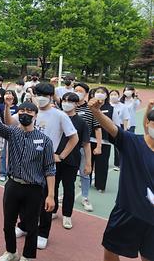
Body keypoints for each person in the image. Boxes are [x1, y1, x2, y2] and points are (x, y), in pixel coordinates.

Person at [11, 83, 78, 250]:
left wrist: (61, 155)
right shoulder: (30, 111)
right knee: (26, 198)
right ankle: (24, 225)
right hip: (27, 162)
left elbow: (74, 138)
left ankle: (43, 232)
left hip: (46, 164)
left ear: (50, 96)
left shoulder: (60, 115)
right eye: (37, 94)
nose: (40, 98)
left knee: (47, 199)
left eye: (44, 95)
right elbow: (10, 123)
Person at [0, 93, 55, 261]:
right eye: (22, 111)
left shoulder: (45, 141)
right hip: (13, 185)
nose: (25, 114)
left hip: (33, 189)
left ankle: (27, 256)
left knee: (32, 226)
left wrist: (51, 195)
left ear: (35, 115)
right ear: (17, 113)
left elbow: (50, 168)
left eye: (29, 111)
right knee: (8, 223)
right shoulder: (13, 133)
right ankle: (11, 252)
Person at [88, 98, 153, 261]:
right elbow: (112, 127)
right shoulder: (132, 142)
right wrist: (95, 111)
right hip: (127, 210)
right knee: (110, 248)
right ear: (147, 124)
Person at [53, 92, 92, 230]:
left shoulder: (81, 123)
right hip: (54, 159)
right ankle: (53, 210)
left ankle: (67, 215)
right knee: (53, 186)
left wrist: (88, 163)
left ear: (76, 104)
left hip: (72, 160)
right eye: (64, 100)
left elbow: (86, 144)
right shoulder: (56, 117)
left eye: (69, 101)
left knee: (69, 188)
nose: (66, 103)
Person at [73, 82, 101, 212]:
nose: (77, 92)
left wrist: (99, 145)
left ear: (85, 94)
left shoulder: (90, 109)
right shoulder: (68, 107)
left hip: (84, 146)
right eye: (75, 90)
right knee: (68, 172)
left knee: (85, 172)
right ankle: (68, 194)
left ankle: (85, 197)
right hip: (68, 146)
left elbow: (97, 128)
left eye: (80, 91)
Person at [90, 87, 114, 193]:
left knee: (102, 164)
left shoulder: (111, 108)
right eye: (97, 92)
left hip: (105, 140)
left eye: (102, 92)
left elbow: (114, 124)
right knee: (88, 162)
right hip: (89, 139)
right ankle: (86, 181)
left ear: (106, 95)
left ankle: (100, 185)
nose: (100, 94)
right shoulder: (89, 106)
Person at [109, 90, 129, 171]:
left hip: (118, 126)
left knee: (117, 146)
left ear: (118, 96)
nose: (113, 96)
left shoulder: (123, 106)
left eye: (115, 94)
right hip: (107, 126)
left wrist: (124, 129)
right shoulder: (107, 105)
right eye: (112, 94)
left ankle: (118, 164)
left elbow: (125, 118)